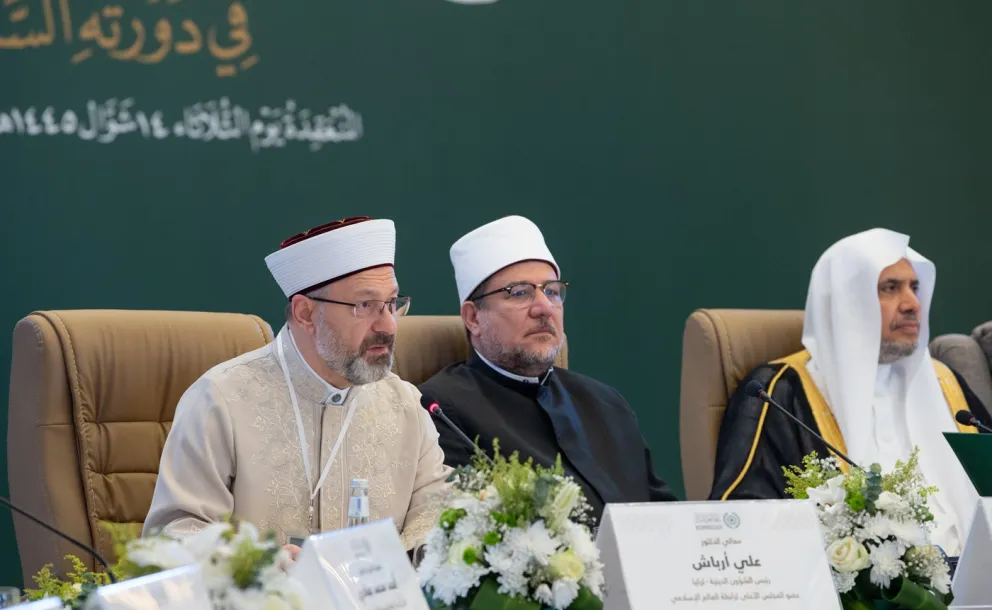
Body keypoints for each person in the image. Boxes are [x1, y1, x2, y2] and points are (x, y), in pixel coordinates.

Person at [144, 216, 451, 558]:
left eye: (392, 304)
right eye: (365, 306)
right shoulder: (221, 400)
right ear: (305, 313)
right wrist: (260, 569)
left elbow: (434, 514)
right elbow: (175, 536)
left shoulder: (405, 405)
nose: (388, 325)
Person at [709, 227, 991, 556]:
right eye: (890, 288)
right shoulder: (780, 392)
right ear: (848, 300)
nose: (913, 303)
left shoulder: (946, 383)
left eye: (914, 287)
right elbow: (741, 517)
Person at [419, 215, 677, 524]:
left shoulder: (606, 403)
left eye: (552, 291)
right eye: (520, 292)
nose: (544, 308)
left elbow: (667, 517)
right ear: (474, 318)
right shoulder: (441, 410)